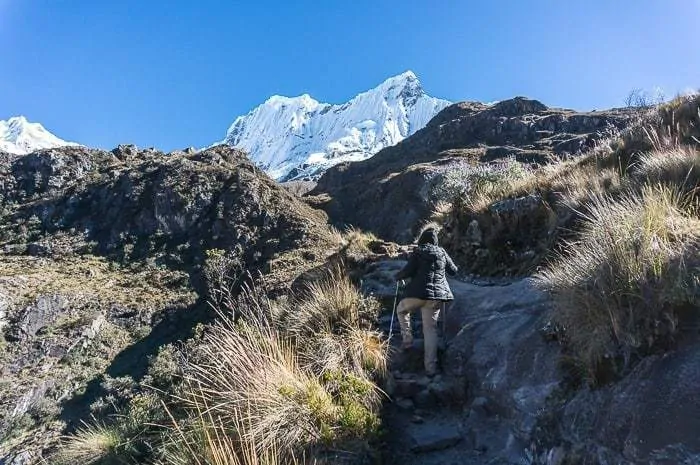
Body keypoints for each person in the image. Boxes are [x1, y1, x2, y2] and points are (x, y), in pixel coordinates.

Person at [395, 226, 458, 376]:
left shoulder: (418, 252)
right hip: (435, 298)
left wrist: (398, 276)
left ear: (422, 240)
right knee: (430, 330)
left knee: (401, 310)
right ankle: (431, 369)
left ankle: (407, 340)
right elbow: (453, 270)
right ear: (435, 242)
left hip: (417, 294)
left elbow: (408, 271)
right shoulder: (442, 252)